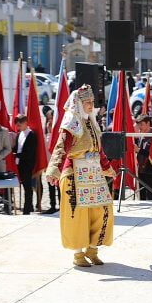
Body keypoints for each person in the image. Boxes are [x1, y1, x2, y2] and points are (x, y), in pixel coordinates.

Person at [46, 86, 116, 268]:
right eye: (87, 103)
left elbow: (98, 150)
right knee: (76, 216)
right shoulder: (72, 123)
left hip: (94, 174)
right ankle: (78, 254)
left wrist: (107, 167)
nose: (91, 106)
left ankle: (92, 250)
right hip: (74, 175)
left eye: (92, 102)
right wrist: (54, 168)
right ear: (78, 103)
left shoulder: (91, 122)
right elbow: (61, 147)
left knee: (102, 210)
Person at [14, 113, 38, 214]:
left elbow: (30, 152)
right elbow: (17, 147)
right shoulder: (19, 134)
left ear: (25, 122)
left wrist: (17, 155)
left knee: (28, 188)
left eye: (20, 123)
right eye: (16, 123)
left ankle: (27, 209)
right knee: (24, 186)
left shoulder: (31, 134)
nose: (18, 125)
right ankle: (29, 206)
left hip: (27, 165)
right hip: (19, 165)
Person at [135, 114, 152, 200]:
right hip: (141, 171)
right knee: (142, 198)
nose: (139, 127)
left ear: (148, 123)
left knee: (151, 197)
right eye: (138, 125)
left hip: (151, 171)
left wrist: (139, 150)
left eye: (141, 124)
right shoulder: (141, 134)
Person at [42, 105, 58, 214]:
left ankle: (61, 205)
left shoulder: (58, 133)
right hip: (49, 164)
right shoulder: (46, 133)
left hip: (57, 164)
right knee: (50, 185)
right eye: (48, 119)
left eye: (51, 118)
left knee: (59, 186)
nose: (49, 121)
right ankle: (52, 205)